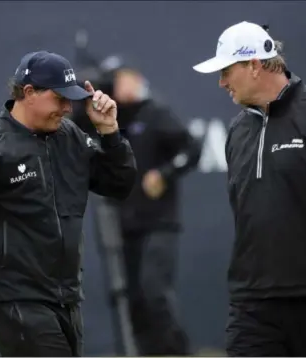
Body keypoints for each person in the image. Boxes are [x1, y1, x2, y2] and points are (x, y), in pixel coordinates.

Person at [0, 50, 136, 357]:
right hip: (17, 301)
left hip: (68, 300)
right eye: (59, 98)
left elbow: (119, 185)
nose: (67, 108)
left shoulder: (71, 138)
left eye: (71, 99)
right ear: (28, 93)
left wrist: (109, 132)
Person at [193, 21, 306, 357]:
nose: (221, 82)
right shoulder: (238, 129)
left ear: (254, 65)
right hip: (253, 303)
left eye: (227, 71)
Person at [73, 58, 201, 356]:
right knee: (133, 299)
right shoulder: (113, 120)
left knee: (154, 291)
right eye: (117, 81)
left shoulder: (156, 113)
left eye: (125, 79)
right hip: (125, 226)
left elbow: (192, 148)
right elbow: (77, 122)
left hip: (158, 223)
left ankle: (176, 353)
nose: (121, 85)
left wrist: (165, 174)